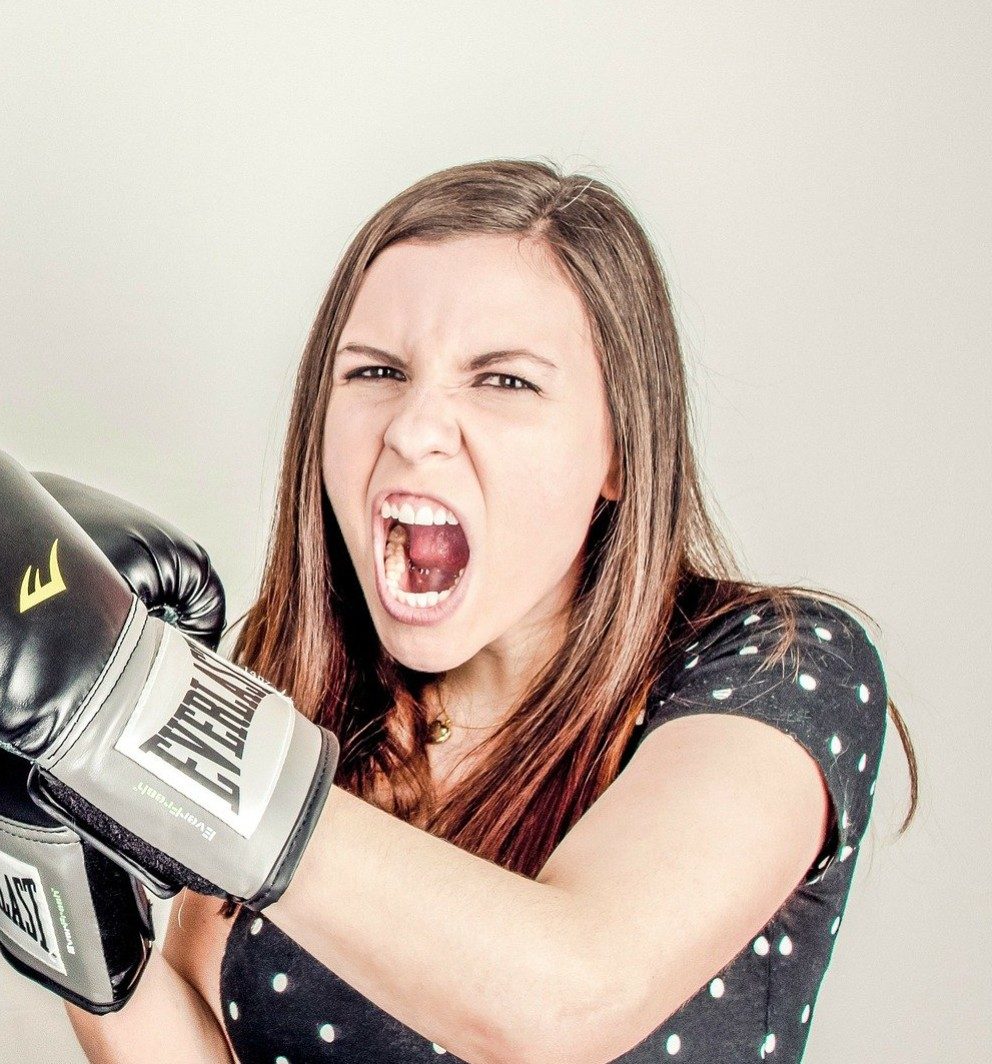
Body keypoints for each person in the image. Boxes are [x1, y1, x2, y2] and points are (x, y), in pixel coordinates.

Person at [63, 159, 921, 1063]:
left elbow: (569, 995)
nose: (411, 426)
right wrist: (38, 837)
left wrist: (144, 722)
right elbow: (203, 1042)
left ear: (620, 456)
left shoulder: (780, 666)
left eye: (504, 381)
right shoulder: (307, 701)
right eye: (377, 371)